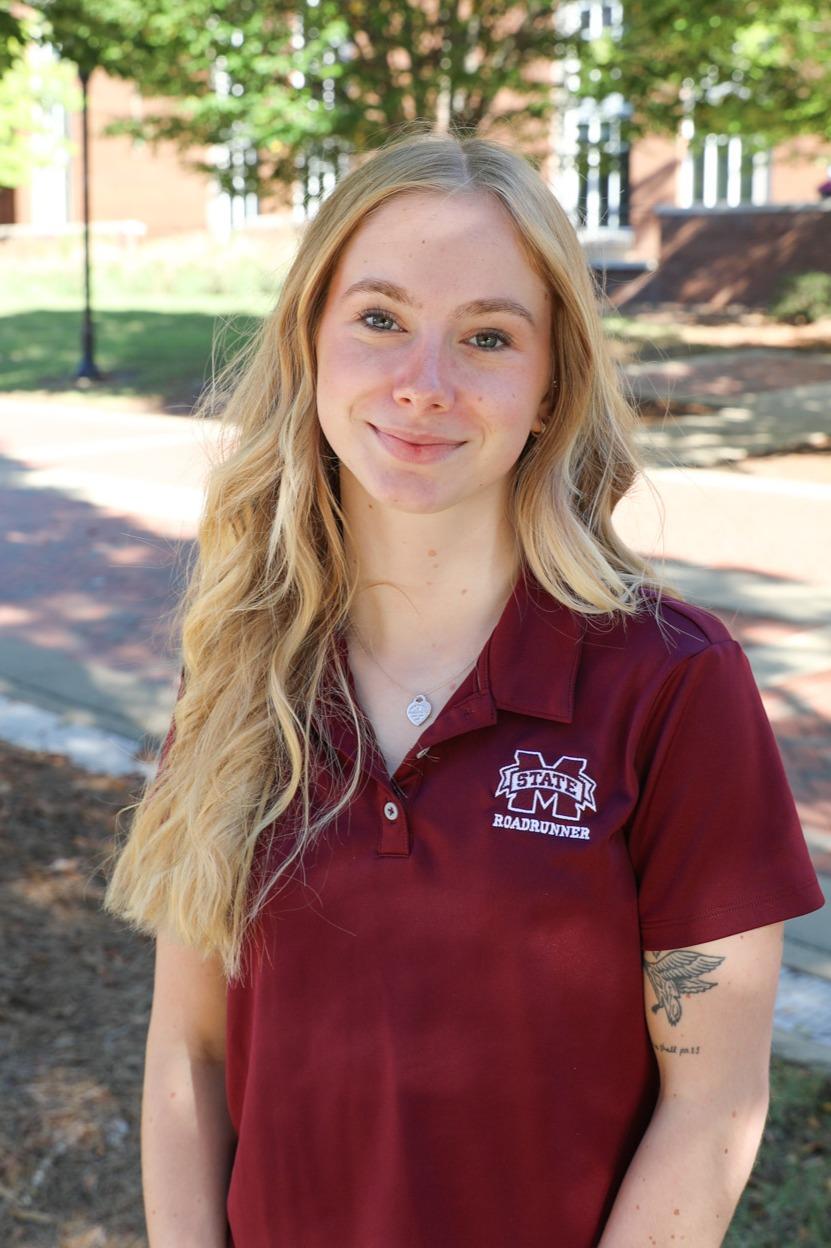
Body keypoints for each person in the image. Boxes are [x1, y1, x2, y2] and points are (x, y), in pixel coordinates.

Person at [104, 127, 824, 1248]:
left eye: (487, 337)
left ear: (549, 388)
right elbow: (190, 1055)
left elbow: (712, 1106)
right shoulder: (243, 661)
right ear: (311, 346)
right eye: (381, 319)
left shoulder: (673, 684)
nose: (423, 385)